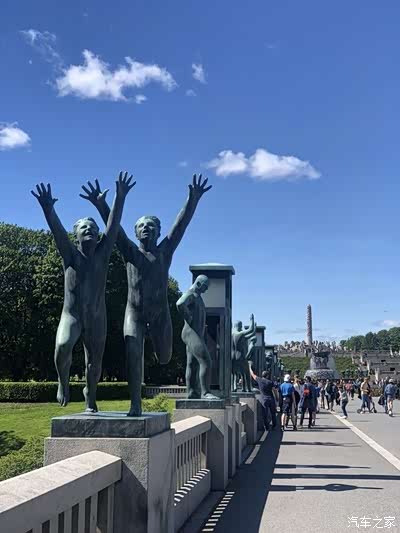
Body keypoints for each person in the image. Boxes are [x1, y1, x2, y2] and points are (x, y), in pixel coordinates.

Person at [81, 174, 211, 416]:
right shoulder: (130, 252)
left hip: (160, 314)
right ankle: (135, 405)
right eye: (141, 226)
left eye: (151, 226)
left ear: (159, 232)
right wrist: (102, 204)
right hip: (135, 313)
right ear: (136, 232)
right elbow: (115, 230)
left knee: (164, 357)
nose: (145, 229)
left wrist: (192, 199)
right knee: (133, 354)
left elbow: (180, 226)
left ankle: (158, 358)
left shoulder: (165, 252)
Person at [32, 173, 133, 412]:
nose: (88, 229)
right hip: (72, 315)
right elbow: (57, 231)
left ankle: (90, 397)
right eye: (83, 227)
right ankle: (63, 381)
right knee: (62, 347)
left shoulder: (103, 254)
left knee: (94, 363)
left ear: (98, 234)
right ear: (75, 235)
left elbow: (113, 225)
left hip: (97, 317)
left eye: (93, 227)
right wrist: (48, 209)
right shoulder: (70, 255)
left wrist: (120, 197)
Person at [249, 365, 277, 430]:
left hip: (264, 399)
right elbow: (274, 390)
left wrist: (249, 368)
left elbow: (253, 375)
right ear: (267, 376)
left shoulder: (259, 380)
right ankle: (274, 425)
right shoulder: (270, 382)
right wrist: (276, 398)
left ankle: (267, 426)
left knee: (265, 414)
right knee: (273, 413)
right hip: (271, 399)